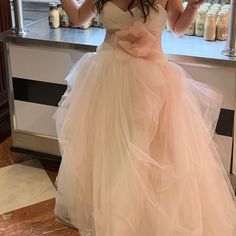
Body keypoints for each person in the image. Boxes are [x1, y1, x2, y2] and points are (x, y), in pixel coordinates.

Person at [53, 0, 236, 235]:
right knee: (112, 152)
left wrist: (192, 7)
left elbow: (178, 29)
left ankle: (142, 220)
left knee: (150, 151)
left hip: (151, 84)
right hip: (109, 80)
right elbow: (78, 18)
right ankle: (116, 217)